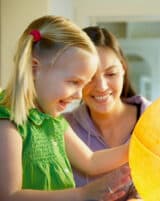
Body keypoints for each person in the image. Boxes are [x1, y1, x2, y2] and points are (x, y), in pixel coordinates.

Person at [0, 15, 131, 201]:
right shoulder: (8, 124)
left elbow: (91, 161)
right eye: (74, 82)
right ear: (34, 68)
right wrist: (83, 194)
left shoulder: (55, 123)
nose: (79, 95)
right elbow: (8, 196)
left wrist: (131, 149)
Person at [63, 27, 151, 201]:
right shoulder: (63, 128)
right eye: (89, 77)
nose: (101, 86)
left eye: (110, 73)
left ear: (123, 69)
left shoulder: (155, 119)